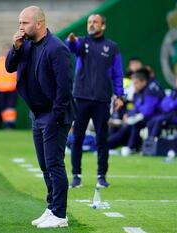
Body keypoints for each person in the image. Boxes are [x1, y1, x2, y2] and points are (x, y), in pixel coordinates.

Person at [5, 6, 74, 228]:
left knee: (54, 164)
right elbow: (9, 67)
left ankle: (60, 215)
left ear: (39, 23)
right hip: (36, 114)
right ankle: (51, 207)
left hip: (53, 114)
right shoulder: (24, 45)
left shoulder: (57, 48)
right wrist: (14, 48)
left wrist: (56, 116)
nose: (20, 27)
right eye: (19, 23)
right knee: (45, 165)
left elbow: (65, 88)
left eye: (24, 23)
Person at [65, 14, 124, 188]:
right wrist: (70, 41)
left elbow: (118, 74)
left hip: (102, 99)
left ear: (103, 26)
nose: (91, 25)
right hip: (81, 97)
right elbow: (71, 47)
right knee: (77, 138)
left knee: (102, 139)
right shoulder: (81, 43)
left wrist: (119, 95)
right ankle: (76, 176)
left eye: (95, 22)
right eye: (89, 22)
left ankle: (102, 176)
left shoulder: (112, 47)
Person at [108, 68, 165, 155]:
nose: (134, 86)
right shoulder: (140, 91)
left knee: (132, 125)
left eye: (136, 83)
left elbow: (147, 111)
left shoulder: (151, 90)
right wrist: (129, 114)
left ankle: (124, 146)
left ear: (144, 82)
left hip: (155, 118)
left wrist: (133, 117)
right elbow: (136, 107)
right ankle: (110, 145)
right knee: (121, 125)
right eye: (133, 83)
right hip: (144, 118)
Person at [147, 72, 177, 138]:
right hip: (169, 115)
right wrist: (169, 104)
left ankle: (153, 140)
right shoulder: (175, 91)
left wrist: (169, 104)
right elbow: (163, 102)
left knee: (158, 120)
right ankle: (149, 141)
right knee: (152, 120)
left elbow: (173, 106)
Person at [0, 45, 18, 129]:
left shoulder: (14, 60)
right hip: (1, 88)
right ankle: (6, 123)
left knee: (10, 107)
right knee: (3, 107)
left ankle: (10, 124)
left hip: (11, 88)